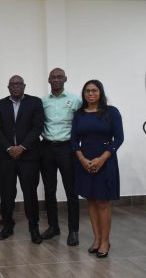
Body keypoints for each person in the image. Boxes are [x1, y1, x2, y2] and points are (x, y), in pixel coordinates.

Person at [71, 80, 123, 258]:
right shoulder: (79, 114)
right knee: (91, 200)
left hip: (105, 161)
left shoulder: (111, 112)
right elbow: (73, 140)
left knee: (103, 201)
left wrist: (102, 158)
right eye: (87, 91)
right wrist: (82, 159)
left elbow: (119, 138)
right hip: (85, 161)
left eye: (94, 90)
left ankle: (105, 241)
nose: (90, 94)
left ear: (100, 93)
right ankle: (97, 238)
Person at [0, 75, 44, 244]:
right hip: (6, 157)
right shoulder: (0, 104)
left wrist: (21, 148)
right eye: (12, 84)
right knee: (7, 193)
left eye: (19, 84)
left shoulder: (35, 102)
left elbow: (37, 128)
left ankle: (33, 228)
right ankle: (8, 226)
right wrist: (10, 148)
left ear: (24, 86)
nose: (16, 86)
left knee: (30, 193)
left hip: (29, 156)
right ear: (8, 87)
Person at [40, 68, 81, 246]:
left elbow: (82, 124)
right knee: (49, 190)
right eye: (53, 77)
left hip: (67, 149)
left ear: (65, 79)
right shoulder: (42, 102)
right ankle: (53, 226)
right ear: (49, 80)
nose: (56, 80)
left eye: (59, 77)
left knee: (71, 191)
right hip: (47, 148)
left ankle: (73, 231)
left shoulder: (76, 100)